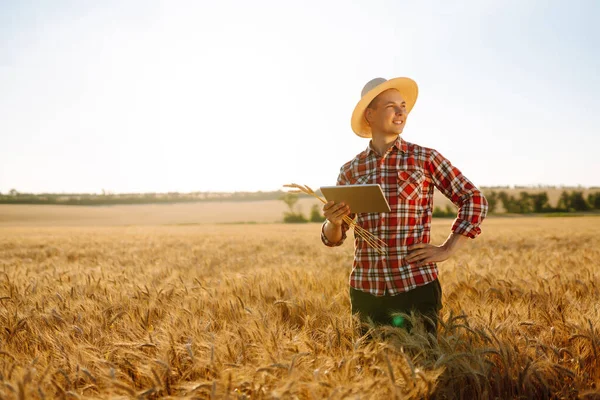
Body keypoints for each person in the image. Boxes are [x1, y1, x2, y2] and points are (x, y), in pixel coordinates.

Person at [321, 77, 488, 335]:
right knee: (373, 370)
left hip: (416, 287)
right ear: (370, 114)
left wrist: (448, 248)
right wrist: (332, 222)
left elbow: (473, 199)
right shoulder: (350, 170)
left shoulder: (425, 158)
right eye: (391, 106)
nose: (401, 112)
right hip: (367, 291)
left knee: (426, 368)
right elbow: (335, 238)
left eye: (403, 105)